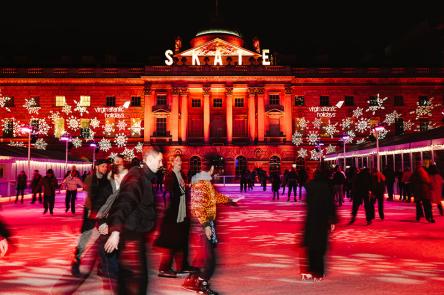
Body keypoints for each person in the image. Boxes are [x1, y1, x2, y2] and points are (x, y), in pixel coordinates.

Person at [104, 147, 163, 295]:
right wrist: (115, 231)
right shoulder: (137, 177)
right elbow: (124, 202)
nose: (162, 164)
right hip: (131, 237)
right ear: (149, 160)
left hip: (135, 235)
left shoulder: (143, 176)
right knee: (136, 281)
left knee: (131, 281)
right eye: (159, 160)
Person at [182, 155, 238, 295]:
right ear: (212, 168)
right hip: (204, 222)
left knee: (203, 256)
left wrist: (229, 200)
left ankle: (192, 280)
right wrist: (206, 225)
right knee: (209, 259)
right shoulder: (202, 182)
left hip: (205, 222)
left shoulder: (205, 181)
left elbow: (213, 197)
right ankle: (201, 283)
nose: (218, 171)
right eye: (217, 168)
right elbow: (198, 205)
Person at [155, 155, 197, 278]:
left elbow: (181, 191)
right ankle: (164, 268)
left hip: (182, 213)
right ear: (172, 163)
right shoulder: (170, 176)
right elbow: (168, 195)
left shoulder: (181, 175)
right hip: (174, 214)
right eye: (177, 160)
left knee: (183, 241)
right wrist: (170, 214)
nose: (180, 162)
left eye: (180, 160)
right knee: (172, 242)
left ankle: (183, 265)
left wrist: (188, 187)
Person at [71, 159, 113, 277]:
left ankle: (102, 266)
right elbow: (89, 196)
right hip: (90, 211)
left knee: (103, 237)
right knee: (85, 237)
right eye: (103, 166)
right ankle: (76, 262)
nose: (105, 168)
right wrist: (90, 211)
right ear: (97, 167)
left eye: (106, 166)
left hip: (101, 212)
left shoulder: (107, 180)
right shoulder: (90, 178)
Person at [302, 166, 337, 280]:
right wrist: (332, 220)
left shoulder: (310, 186)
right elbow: (330, 205)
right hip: (322, 219)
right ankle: (320, 271)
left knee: (311, 245)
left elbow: (307, 202)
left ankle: (312, 269)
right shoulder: (327, 187)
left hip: (311, 218)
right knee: (321, 245)